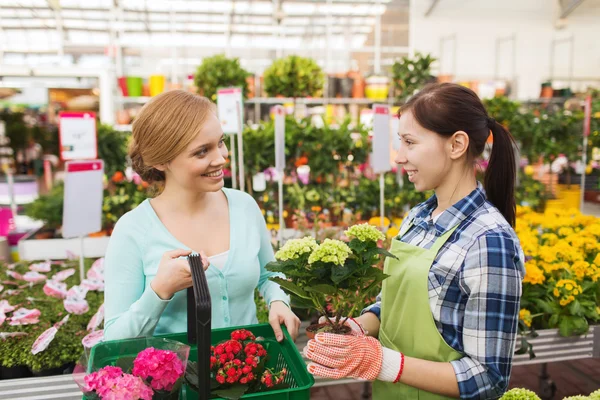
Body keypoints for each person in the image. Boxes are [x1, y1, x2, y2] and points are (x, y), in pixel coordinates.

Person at [304, 83, 525, 399]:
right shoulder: (417, 218)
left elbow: (488, 378)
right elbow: (393, 303)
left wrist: (381, 362)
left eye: (409, 142)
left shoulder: (489, 242)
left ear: (456, 144)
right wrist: (358, 327)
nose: (399, 157)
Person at [104, 90, 301, 343]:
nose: (220, 158)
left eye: (220, 142)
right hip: (177, 380)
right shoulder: (133, 230)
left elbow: (269, 274)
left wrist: (278, 301)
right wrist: (159, 290)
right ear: (161, 162)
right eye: (201, 152)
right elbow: (113, 339)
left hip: (250, 371)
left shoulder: (244, 207)